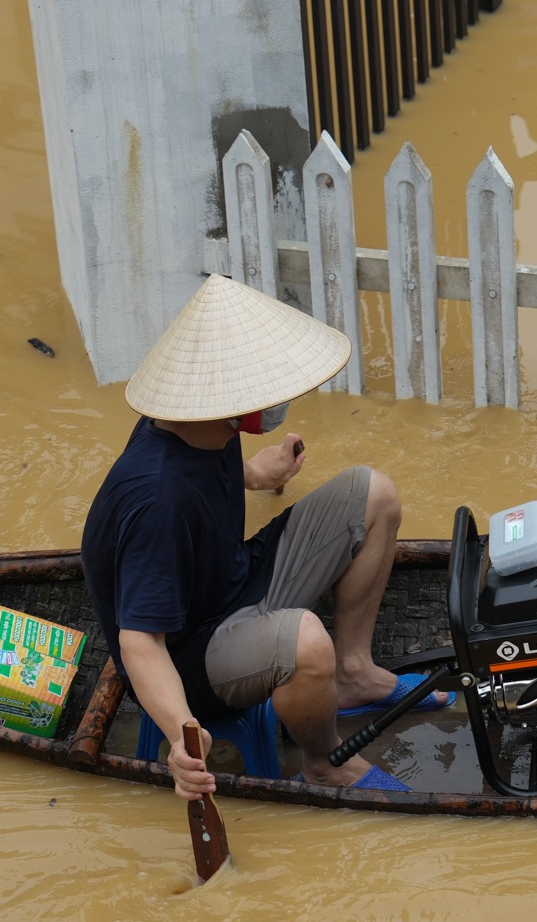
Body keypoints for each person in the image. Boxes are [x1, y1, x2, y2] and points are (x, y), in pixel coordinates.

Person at [81, 273, 445, 800]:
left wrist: (258, 473)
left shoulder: (195, 422)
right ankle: (324, 764)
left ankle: (355, 676)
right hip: (192, 657)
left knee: (375, 495)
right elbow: (140, 642)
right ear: (235, 406)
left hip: (234, 581)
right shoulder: (158, 499)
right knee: (305, 641)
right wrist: (181, 732)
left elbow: (209, 475)